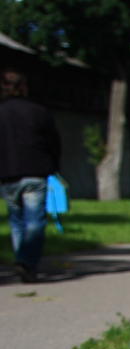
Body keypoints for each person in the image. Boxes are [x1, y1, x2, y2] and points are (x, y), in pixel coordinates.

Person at [0, 67, 61, 283]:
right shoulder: (38, 111)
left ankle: (22, 260)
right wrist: (55, 166)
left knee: (16, 221)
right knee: (34, 220)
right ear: (24, 87)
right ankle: (27, 262)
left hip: (6, 174)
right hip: (35, 172)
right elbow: (53, 142)